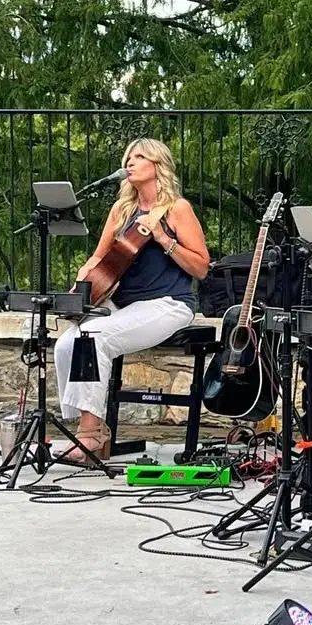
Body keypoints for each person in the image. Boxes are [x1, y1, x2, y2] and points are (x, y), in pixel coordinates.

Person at [54, 138, 210, 461]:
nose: (131, 161)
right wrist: (82, 280)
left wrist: (164, 239)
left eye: (140, 156)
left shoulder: (177, 209)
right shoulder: (121, 210)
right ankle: (87, 425)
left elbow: (202, 267)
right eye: (128, 157)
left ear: (157, 165)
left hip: (169, 304)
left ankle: (90, 435)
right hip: (124, 303)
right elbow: (98, 258)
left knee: (95, 337)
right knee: (66, 344)